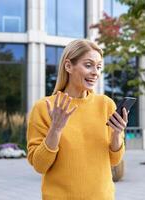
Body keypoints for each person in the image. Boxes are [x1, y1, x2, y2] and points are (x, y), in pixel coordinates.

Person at [27, 39, 128, 200]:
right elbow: (40, 165)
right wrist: (56, 129)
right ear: (68, 66)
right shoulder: (44, 107)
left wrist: (117, 134)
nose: (95, 72)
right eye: (88, 65)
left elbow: (114, 160)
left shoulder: (106, 105)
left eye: (99, 66)